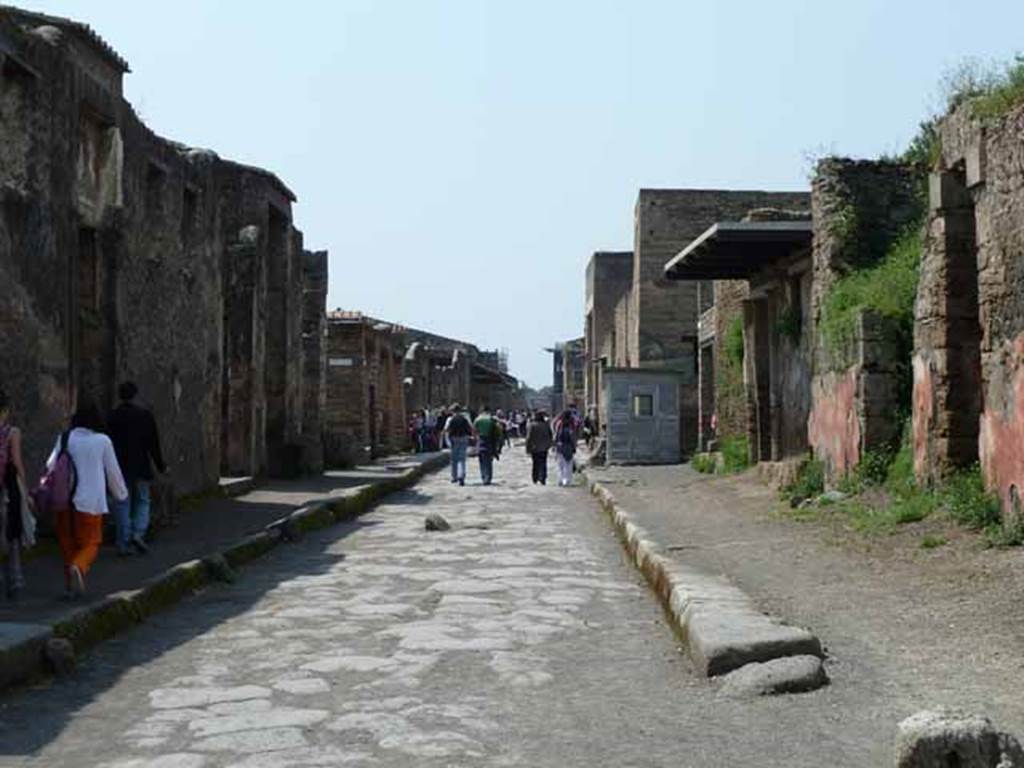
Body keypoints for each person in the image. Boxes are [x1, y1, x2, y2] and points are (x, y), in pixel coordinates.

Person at [50, 398, 128, 597]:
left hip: (64, 501)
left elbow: (51, 466)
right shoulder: (102, 441)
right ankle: (79, 566)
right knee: (90, 543)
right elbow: (113, 473)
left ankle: (70, 587)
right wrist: (121, 495)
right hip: (89, 502)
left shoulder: (65, 438)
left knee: (68, 543)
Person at [108, 382, 167, 556]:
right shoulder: (145, 416)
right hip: (141, 464)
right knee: (142, 500)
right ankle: (138, 533)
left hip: (119, 465)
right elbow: (153, 444)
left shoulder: (112, 416)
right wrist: (161, 465)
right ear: (135, 395)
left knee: (122, 501)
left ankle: (123, 540)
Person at [0, 388, 34, 598]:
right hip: (7, 488)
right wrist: (26, 489)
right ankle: (15, 580)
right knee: (12, 534)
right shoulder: (11, 432)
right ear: (5, 409)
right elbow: (17, 461)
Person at [442, 404, 473, 486]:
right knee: (462, 459)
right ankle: (461, 476)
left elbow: (446, 430)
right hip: (463, 438)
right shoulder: (465, 418)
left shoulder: (450, 419)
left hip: (454, 439)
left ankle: (454, 477)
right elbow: (470, 428)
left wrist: (445, 439)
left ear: (452, 411)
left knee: (453, 459)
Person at [473, 405, 503, 486]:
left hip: (481, 440)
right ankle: (488, 477)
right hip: (490, 440)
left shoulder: (478, 419)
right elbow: (499, 429)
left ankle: (483, 477)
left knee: (481, 460)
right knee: (489, 461)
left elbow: (474, 431)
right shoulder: (492, 419)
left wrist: (476, 439)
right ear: (489, 411)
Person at [525, 410, 553, 485]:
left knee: (535, 463)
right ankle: (542, 478)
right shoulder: (546, 425)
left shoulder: (532, 425)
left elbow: (529, 437)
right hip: (544, 448)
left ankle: (535, 478)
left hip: (535, 448)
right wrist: (549, 445)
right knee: (543, 463)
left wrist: (527, 448)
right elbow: (550, 435)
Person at [554, 408, 577, 487]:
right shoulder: (571, 424)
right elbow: (572, 437)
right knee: (568, 464)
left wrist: (555, 445)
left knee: (560, 464)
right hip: (568, 446)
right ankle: (567, 481)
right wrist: (574, 447)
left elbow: (556, 435)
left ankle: (560, 480)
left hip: (560, 446)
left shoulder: (559, 423)